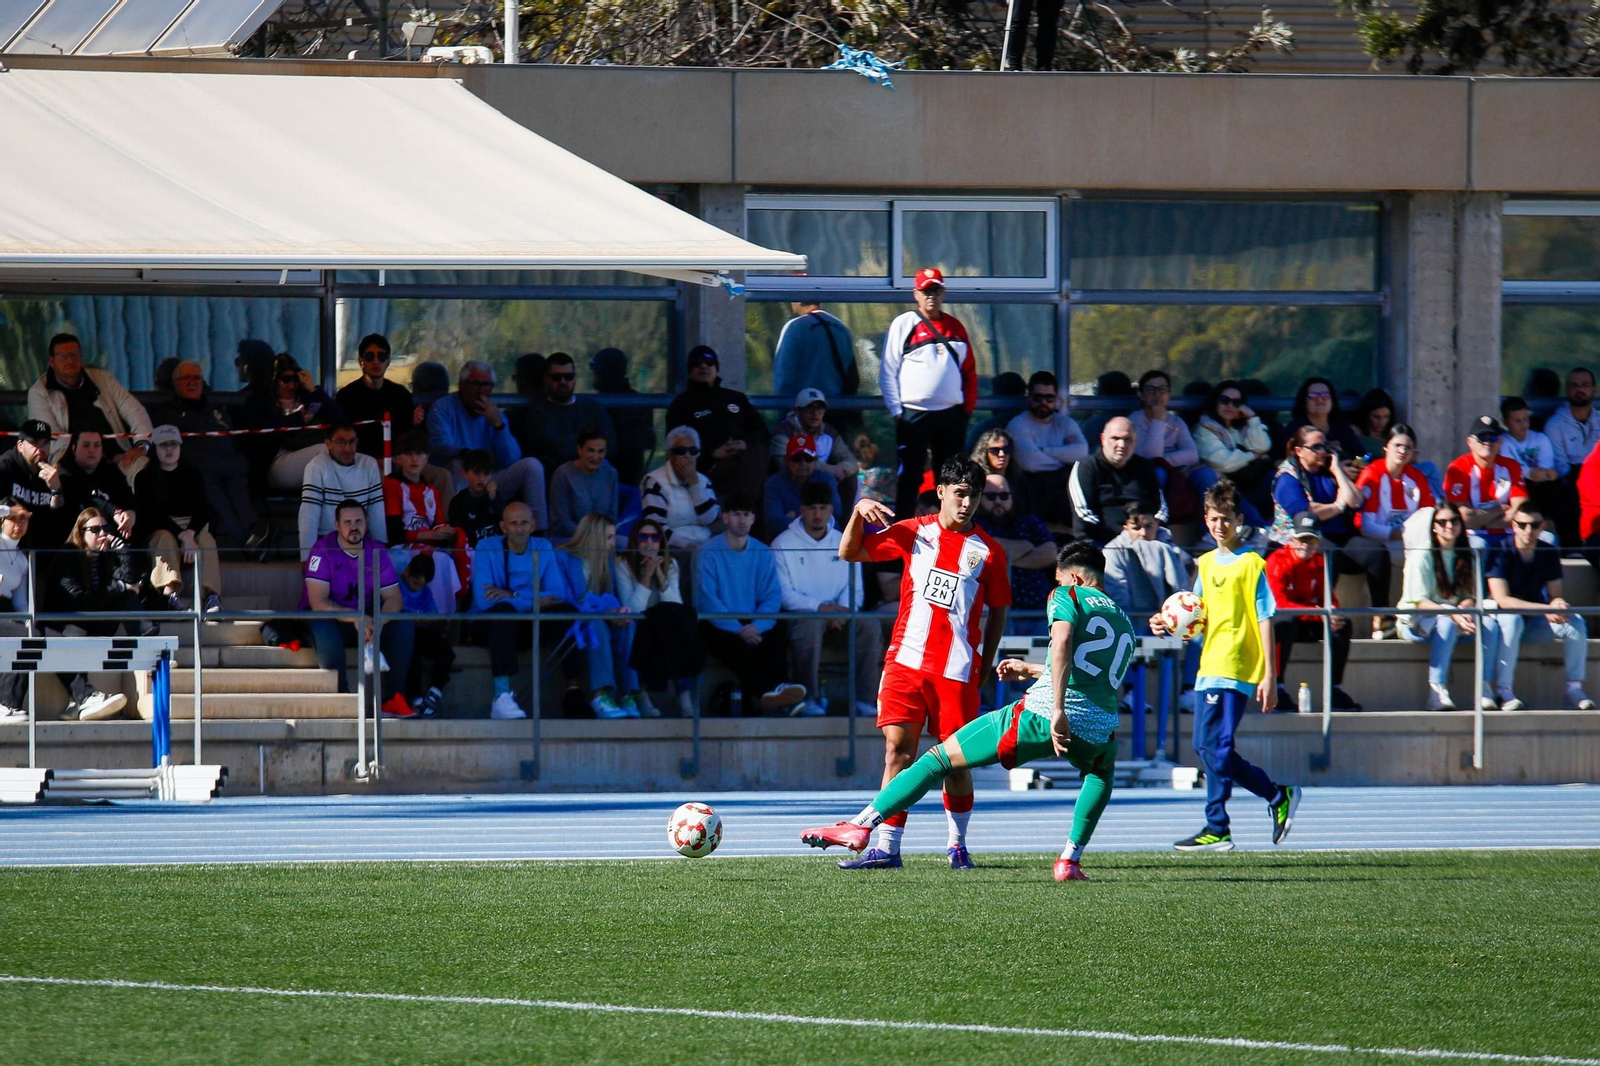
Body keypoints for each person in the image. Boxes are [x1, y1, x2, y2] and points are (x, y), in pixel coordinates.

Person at [802, 540, 1129, 882]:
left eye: (1059, 580)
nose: (1058, 585)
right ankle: (1069, 860)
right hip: (1098, 726)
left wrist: (1058, 708)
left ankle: (861, 825)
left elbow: (1062, 641)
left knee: (937, 760)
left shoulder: (1068, 595)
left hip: (1042, 715)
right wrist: (1032, 670)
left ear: (1074, 578)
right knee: (1100, 775)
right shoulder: (1122, 619)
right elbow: (1093, 674)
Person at [836, 457, 1011, 870]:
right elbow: (850, 551)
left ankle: (957, 845)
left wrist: (984, 665)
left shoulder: (989, 551)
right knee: (897, 752)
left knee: (956, 762)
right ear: (942, 492)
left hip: (957, 670)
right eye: (960, 494)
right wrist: (859, 511)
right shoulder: (914, 532)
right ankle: (887, 848)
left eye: (974, 496)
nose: (967, 503)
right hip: (906, 662)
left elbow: (998, 612)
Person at [1152, 480, 1301, 852]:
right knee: (1206, 747)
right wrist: (1166, 623)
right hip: (1209, 665)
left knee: (1216, 746)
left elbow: (1265, 618)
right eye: (1214, 519)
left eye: (1227, 519)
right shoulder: (1204, 563)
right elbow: (1195, 616)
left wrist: (1269, 674)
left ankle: (1217, 826)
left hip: (1236, 665)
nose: (1220, 525)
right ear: (1206, 519)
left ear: (1239, 520)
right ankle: (1276, 794)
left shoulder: (1251, 564)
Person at [772, 481, 883, 717]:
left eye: (823, 508)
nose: (817, 514)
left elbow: (854, 588)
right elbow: (785, 595)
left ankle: (864, 701)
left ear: (831, 510)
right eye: (812, 508)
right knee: (811, 625)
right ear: (802, 510)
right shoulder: (782, 543)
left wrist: (842, 611)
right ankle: (807, 700)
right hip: (801, 619)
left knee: (869, 626)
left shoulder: (845, 540)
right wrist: (820, 608)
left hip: (839, 619)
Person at [694, 493, 807, 716]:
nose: (742, 520)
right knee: (733, 646)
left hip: (754, 620)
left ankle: (778, 690)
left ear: (753, 519)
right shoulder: (707, 552)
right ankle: (777, 693)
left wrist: (757, 626)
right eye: (736, 514)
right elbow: (707, 599)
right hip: (718, 621)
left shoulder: (763, 552)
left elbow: (771, 597)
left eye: (747, 515)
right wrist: (739, 629)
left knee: (775, 633)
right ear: (725, 517)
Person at [301, 499, 415, 718]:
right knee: (323, 626)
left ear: (366, 522)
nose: (353, 527)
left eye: (358, 521)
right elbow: (319, 603)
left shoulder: (376, 550)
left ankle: (393, 699)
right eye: (347, 522)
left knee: (403, 623)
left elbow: (393, 597)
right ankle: (341, 698)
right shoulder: (322, 550)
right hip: (333, 619)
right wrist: (356, 617)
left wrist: (379, 620)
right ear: (337, 525)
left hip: (367, 620)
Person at [1271, 426, 1390, 634]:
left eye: (1325, 446)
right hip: (1301, 539)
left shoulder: (1328, 469)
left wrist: (1337, 470)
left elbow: (1356, 501)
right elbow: (1305, 512)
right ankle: (1323, 615)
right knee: (1328, 552)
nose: (1323, 451)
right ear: (1299, 451)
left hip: (1338, 535)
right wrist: (1338, 506)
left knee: (1376, 552)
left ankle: (1381, 618)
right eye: (1316, 447)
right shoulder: (1287, 477)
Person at [881, 268, 978, 521]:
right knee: (909, 476)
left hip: (951, 415)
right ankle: (903, 527)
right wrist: (898, 412)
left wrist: (966, 411)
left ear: (943, 292)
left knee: (951, 477)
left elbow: (969, 372)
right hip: (913, 414)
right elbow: (888, 371)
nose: (931, 296)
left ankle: (949, 527)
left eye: (935, 290)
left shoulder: (956, 327)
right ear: (916, 294)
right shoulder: (904, 324)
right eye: (925, 291)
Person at [1485, 504, 1594, 711]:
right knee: (1512, 620)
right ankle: (1503, 691)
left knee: (1575, 622)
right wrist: (1545, 608)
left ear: (1542, 526)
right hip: (1503, 621)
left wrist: (1559, 605)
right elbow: (1503, 600)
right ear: (1513, 525)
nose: (1528, 530)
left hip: (1534, 620)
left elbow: (1555, 594)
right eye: (1522, 525)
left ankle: (1573, 688)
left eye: (1534, 525)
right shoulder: (1500, 550)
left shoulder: (1548, 551)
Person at [470, 502, 570, 721]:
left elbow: (557, 595)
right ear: (503, 527)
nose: (519, 529)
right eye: (513, 523)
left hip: (526, 624)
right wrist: (534, 600)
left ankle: (576, 692)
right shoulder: (486, 546)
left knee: (566, 611)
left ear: (533, 525)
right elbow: (485, 600)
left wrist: (512, 595)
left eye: (524, 523)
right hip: (490, 625)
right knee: (504, 611)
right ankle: (501, 696)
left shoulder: (542, 546)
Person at [44, 507, 146, 721]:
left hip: (95, 618)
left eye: (105, 528)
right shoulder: (68, 556)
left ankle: (149, 643)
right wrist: (120, 587)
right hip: (65, 620)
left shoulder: (107, 556)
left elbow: (132, 581)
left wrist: (121, 548)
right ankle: (83, 697)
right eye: (95, 530)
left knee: (128, 597)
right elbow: (80, 600)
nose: (102, 534)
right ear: (81, 532)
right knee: (74, 635)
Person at [425, 360, 548, 529]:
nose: (481, 390)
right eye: (476, 384)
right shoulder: (443, 408)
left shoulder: (493, 413)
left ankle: (538, 533)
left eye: (487, 385)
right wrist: (466, 454)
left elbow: (512, 458)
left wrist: (498, 425)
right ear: (462, 385)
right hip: (459, 478)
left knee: (532, 466)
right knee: (459, 465)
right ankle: (461, 531)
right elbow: (441, 446)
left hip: (491, 478)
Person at [1397, 501, 1496, 711]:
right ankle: (1436, 691)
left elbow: (1471, 596)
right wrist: (1452, 612)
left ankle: (1485, 688)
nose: (1449, 526)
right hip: (1414, 622)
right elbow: (1419, 602)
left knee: (1490, 625)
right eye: (1442, 522)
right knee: (1446, 623)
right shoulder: (1421, 555)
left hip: (1453, 617)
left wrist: (1464, 607)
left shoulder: (1468, 554)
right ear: (1434, 526)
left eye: (1454, 521)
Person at [149, 361, 260, 545]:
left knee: (239, 489)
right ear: (175, 383)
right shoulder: (166, 414)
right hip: (199, 472)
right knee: (215, 497)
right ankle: (248, 541)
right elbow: (170, 450)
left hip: (230, 468)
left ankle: (255, 536)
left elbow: (235, 441)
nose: (192, 382)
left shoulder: (216, 409)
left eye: (197, 378)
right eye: (186, 378)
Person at [1265, 513, 1361, 711]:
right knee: (1284, 623)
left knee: (1343, 624)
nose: (1305, 545)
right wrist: (1319, 614)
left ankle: (1334, 690)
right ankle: (1278, 688)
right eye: (1302, 539)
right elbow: (1278, 604)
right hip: (1284, 622)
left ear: (1318, 542)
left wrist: (1332, 614)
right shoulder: (1277, 560)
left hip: (1306, 620)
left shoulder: (1319, 562)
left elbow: (1328, 598)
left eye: (1311, 540)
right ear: (1292, 539)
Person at [26, 333, 151, 478]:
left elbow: (134, 411)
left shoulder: (103, 378)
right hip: (69, 456)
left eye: (74, 355)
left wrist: (142, 444)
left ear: (81, 357)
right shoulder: (39, 392)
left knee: (141, 467)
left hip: (117, 456)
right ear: (51, 361)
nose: (70, 360)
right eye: (63, 356)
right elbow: (51, 436)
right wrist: (91, 452)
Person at [559, 513, 643, 719]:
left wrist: (616, 613)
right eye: (609, 537)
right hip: (574, 620)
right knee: (596, 624)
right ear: (594, 536)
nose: (613, 543)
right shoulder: (562, 557)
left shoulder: (607, 561)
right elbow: (566, 599)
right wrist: (604, 612)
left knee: (628, 624)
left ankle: (628, 694)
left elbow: (611, 595)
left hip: (601, 615)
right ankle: (600, 696)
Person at [615, 517, 700, 719]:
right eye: (643, 537)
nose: (649, 542)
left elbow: (676, 605)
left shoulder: (671, 564)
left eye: (655, 538)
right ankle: (641, 694)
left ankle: (684, 695)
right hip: (638, 624)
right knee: (650, 628)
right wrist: (646, 576)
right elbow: (632, 610)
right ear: (634, 540)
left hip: (664, 623)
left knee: (679, 622)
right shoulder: (622, 563)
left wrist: (660, 575)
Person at [134, 425, 224, 614]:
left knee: (206, 538)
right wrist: (182, 535)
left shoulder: (193, 474)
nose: (169, 449)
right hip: (159, 531)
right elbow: (151, 514)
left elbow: (203, 508)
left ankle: (211, 595)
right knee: (165, 537)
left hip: (190, 529)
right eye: (163, 445)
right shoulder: (144, 477)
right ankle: (169, 594)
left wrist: (190, 533)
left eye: (173, 444)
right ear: (155, 448)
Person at [665, 345, 770, 504]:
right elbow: (674, 447)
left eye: (709, 362)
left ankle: (745, 512)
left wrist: (744, 443)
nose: (704, 366)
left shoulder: (736, 398)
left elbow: (762, 432)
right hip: (707, 467)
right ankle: (743, 512)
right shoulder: (681, 405)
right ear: (690, 370)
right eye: (697, 363)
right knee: (743, 469)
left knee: (754, 457)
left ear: (716, 368)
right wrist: (713, 453)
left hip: (744, 459)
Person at [382, 429, 467, 610]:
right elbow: (395, 533)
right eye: (408, 454)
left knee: (450, 558)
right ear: (398, 458)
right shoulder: (391, 485)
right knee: (440, 560)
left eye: (419, 453)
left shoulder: (432, 491)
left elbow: (438, 525)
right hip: (401, 548)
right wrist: (431, 535)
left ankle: (444, 620)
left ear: (426, 458)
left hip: (428, 546)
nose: (414, 459)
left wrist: (447, 533)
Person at [241, 353, 343, 494]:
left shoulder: (306, 398)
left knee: (348, 456)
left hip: (306, 449)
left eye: (295, 379)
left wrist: (314, 390)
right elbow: (258, 438)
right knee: (325, 452)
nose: (291, 385)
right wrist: (292, 421)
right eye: (286, 380)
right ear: (274, 380)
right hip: (275, 460)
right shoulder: (260, 402)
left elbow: (339, 419)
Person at [973, 473, 1057, 631]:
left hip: (1037, 610)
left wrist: (1003, 558)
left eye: (1004, 496)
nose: (998, 501)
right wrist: (1026, 546)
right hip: (993, 613)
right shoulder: (973, 525)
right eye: (991, 496)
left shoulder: (1029, 522)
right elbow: (981, 549)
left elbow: (1050, 554)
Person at [1353, 423, 1435, 577]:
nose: (1402, 451)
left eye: (1408, 447)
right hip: (1378, 540)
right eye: (1397, 445)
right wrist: (1398, 534)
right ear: (1386, 447)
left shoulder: (1417, 477)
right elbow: (1365, 526)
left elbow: (1429, 514)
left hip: (1409, 539)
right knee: (1421, 557)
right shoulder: (1372, 475)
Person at [1068, 417, 1165, 546]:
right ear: (1103, 439)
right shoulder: (1086, 467)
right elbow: (1083, 514)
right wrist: (1124, 536)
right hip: (1101, 542)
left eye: (1128, 439)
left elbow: (1160, 509)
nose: (1122, 445)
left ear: (1135, 441)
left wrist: (1147, 530)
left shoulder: (1144, 466)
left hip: (1145, 537)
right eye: (1115, 438)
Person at [1006, 370, 1088, 522]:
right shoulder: (1018, 424)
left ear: (1056, 399)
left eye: (1049, 398)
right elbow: (1029, 462)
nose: (1043, 403)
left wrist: (1043, 450)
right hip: (1032, 486)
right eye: (1038, 397)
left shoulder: (1065, 423)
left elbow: (1082, 452)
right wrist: (1064, 460)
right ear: (1029, 397)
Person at [521, 352, 618, 477]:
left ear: (575, 378)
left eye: (568, 376)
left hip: (595, 476)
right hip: (558, 480)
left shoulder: (593, 407)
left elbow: (611, 446)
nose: (563, 382)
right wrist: (592, 440)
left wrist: (571, 442)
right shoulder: (538, 413)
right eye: (556, 377)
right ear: (546, 379)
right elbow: (558, 451)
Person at [1192, 380, 1274, 524]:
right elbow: (1224, 462)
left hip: (1249, 483)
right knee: (1244, 508)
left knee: (1277, 476)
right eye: (1225, 400)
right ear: (1215, 402)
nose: (1230, 405)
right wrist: (1254, 455)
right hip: (1224, 487)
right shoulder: (1203, 429)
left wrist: (1252, 418)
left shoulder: (1240, 428)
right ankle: (1259, 530)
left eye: (1236, 403)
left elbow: (1263, 446)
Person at [1103, 502, 1195, 632]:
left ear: (1157, 524)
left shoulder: (1172, 550)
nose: (1143, 533)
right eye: (1136, 528)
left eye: (1148, 526)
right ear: (1126, 527)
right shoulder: (1112, 552)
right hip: (1131, 628)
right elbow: (1119, 597)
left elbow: (1182, 592)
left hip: (1167, 626)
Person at [299, 423, 384, 560]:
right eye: (341, 442)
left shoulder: (369, 464)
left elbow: (377, 512)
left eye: (352, 442)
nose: (347, 448)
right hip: (328, 542)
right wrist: (307, 556)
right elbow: (309, 515)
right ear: (328, 444)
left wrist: (381, 551)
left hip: (360, 541)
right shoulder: (316, 466)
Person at [1443, 416, 1528, 551]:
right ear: (1470, 442)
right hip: (1473, 535)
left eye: (1493, 437)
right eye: (1482, 437)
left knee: (1549, 539)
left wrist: (1481, 520)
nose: (1487, 442)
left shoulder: (1511, 466)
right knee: (1479, 546)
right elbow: (1463, 517)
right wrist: (1499, 510)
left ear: (1500, 441)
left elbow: (1521, 510)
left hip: (1509, 533)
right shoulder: (1458, 468)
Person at [1507, 387, 1578, 547]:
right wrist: (1530, 473)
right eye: (1517, 421)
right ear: (1506, 422)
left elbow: (1548, 468)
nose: (1523, 425)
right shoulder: (1504, 441)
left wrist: (1543, 473)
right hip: (1516, 486)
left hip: (1540, 485)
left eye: (1526, 419)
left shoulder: (1540, 438)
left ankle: (1571, 545)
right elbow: (1509, 468)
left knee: (1558, 491)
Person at [333, 334, 423, 460]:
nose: (376, 361)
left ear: (388, 362)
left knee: (440, 472)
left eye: (381, 356)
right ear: (361, 362)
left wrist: (414, 423)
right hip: (359, 461)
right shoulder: (346, 396)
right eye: (370, 357)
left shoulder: (400, 394)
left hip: (397, 460)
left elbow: (410, 437)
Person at [770, 388, 858, 504]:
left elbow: (851, 461)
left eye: (820, 408)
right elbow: (785, 464)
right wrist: (830, 470)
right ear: (798, 411)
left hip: (824, 482)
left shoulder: (829, 431)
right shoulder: (783, 431)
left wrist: (842, 470)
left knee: (850, 481)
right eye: (809, 408)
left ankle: (845, 516)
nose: (815, 413)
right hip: (793, 483)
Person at [639, 425, 721, 548]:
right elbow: (655, 526)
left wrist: (695, 485)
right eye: (681, 451)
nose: (687, 455)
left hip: (706, 545)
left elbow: (712, 520)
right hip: (673, 547)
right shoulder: (654, 481)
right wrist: (686, 546)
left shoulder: (703, 481)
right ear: (670, 455)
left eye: (693, 451)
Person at [590, 348, 656, 490]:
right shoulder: (637, 402)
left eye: (596, 370)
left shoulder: (631, 404)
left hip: (620, 481)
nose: (594, 375)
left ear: (606, 372)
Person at [398, 553, 454, 718]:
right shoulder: (396, 587)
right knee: (412, 652)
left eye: (422, 585)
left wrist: (428, 619)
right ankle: (414, 696)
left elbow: (433, 614)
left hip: (423, 631)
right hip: (403, 632)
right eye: (415, 583)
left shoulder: (426, 592)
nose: (418, 588)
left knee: (445, 651)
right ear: (407, 572)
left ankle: (435, 692)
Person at [773, 298, 857, 405]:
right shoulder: (841, 327)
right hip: (837, 405)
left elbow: (783, 376)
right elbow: (852, 375)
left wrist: (783, 409)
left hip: (806, 408)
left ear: (799, 300)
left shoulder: (794, 327)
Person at [58, 430, 136, 543]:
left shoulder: (110, 470)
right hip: (78, 540)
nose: (92, 450)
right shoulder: (64, 472)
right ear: (74, 448)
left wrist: (130, 512)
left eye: (97, 445)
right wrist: (115, 512)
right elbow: (83, 498)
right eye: (86, 445)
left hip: (113, 536)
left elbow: (126, 494)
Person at [764, 434, 842, 540]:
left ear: (815, 460)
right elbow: (774, 523)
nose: (803, 463)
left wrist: (796, 514)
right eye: (797, 459)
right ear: (787, 459)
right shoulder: (774, 483)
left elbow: (835, 512)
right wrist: (815, 519)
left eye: (808, 458)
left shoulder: (826, 479)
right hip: (788, 541)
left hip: (824, 539)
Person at [0, 420, 65, 545]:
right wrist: (10, 510)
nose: (41, 449)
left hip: (40, 547)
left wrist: (56, 491)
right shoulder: (5, 467)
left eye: (45, 443)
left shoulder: (51, 474)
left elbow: (59, 520)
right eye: (34, 443)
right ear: (20, 445)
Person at [548, 427, 620, 541]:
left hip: (601, 537)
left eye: (601, 451)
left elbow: (612, 516)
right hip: (569, 537)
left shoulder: (611, 474)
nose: (596, 457)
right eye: (591, 450)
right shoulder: (563, 474)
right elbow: (561, 521)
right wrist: (589, 537)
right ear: (579, 449)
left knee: (624, 543)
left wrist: (602, 536)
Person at [0, 500, 34, 722]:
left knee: (30, 637)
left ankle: (10, 703)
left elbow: (20, 602)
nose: (18, 523)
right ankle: (3, 704)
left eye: (23, 519)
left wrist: (28, 623)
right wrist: (8, 509)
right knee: (20, 639)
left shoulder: (22, 559)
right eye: (13, 518)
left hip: (6, 610)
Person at [1129, 369, 1199, 471]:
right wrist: (1158, 421)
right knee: (1159, 472)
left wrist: (1163, 460)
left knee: (1205, 473)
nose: (1157, 394)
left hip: (1177, 471)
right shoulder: (1133, 421)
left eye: (1162, 389)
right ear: (1142, 395)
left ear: (1169, 394)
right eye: (1151, 389)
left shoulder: (1176, 421)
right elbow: (1151, 456)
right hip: (1148, 473)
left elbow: (1192, 455)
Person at [1286, 376, 1362, 466]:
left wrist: (1356, 465)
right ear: (1304, 401)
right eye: (1313, 396)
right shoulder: (1295, 429)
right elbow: (1282, 460)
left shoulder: (1342, 426)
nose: (1320, 399)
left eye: (1325, 395)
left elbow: (1360, 454)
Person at [968, 427, 1037, 519]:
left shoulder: (1020, 482)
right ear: (984, 453)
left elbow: (1029, 512)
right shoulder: (976, 481)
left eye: (1007, 449)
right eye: (995, 450)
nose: (1002, 454)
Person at [447, 450, 503, 547]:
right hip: (471, 551)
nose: (481, 478)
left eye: (486, 473)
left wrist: (493, 501)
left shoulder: (495, 497)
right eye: (477, 473)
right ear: (464, 473)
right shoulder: (457, 503)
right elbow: (459, 538)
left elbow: (505, 526)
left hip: (496, 550)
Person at [1352, 388, 1396, 459]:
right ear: (1366, 415)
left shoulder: (1393, 436)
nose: (1382, 422)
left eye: (1386, 417)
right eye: (1376, 417)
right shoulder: (1356, 434)